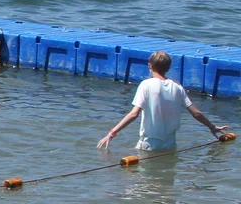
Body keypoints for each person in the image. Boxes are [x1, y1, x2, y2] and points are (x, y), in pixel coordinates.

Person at [98, 51, 229, 151]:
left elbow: (134, 114)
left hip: (149, 145)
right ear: (168, 68)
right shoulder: (177, 87)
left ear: (149, 66)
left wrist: (112, 133)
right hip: (170, 144)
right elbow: (196, 113)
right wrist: (212, 127)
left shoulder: (146, 85)